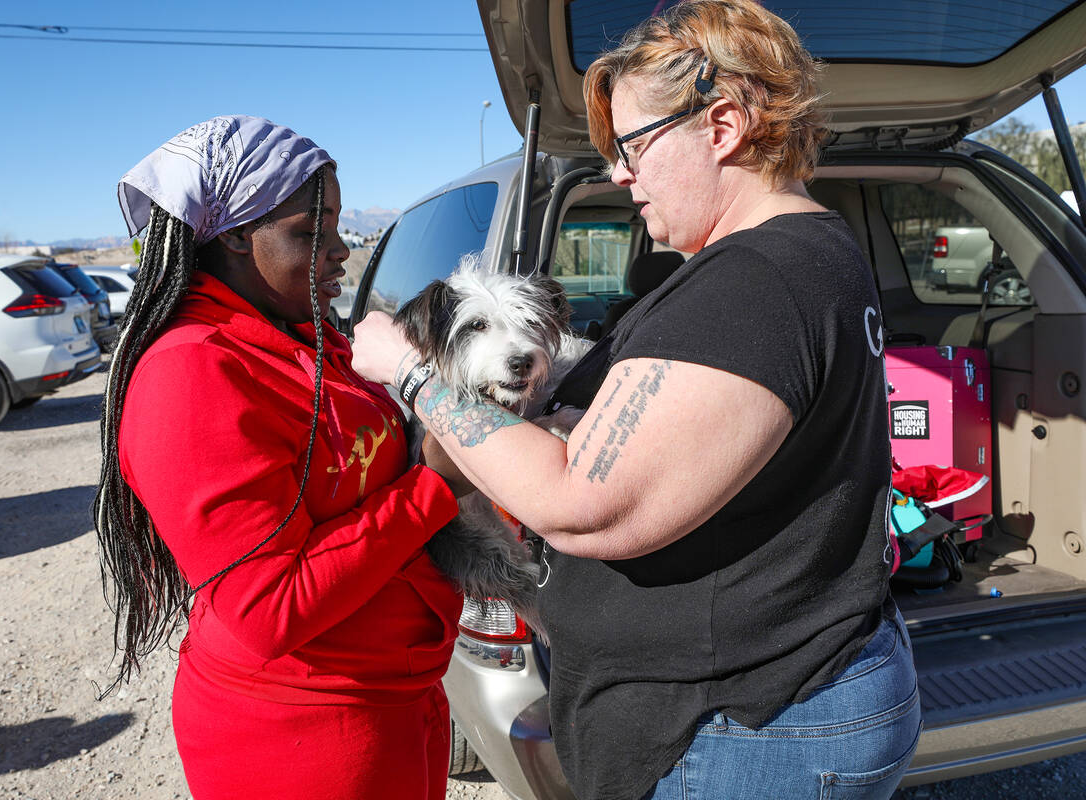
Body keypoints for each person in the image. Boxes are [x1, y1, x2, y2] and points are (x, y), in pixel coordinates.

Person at [350, 2, 921, 798]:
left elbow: (585, 505)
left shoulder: (757, 280)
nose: (619, 173)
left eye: (632, 146)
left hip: (742, 729)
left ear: (721, 127)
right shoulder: (805, 255)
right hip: (775, 695)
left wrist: (412, 375)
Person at [93, 115, 462, 800]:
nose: (339, 253)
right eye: (309, 232)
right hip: (307, 735)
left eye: (337, 230)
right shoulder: (195, 370)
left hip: (393, 697)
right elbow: (268, 608)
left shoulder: (298, 340)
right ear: (234, 234)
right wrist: (433, 487)